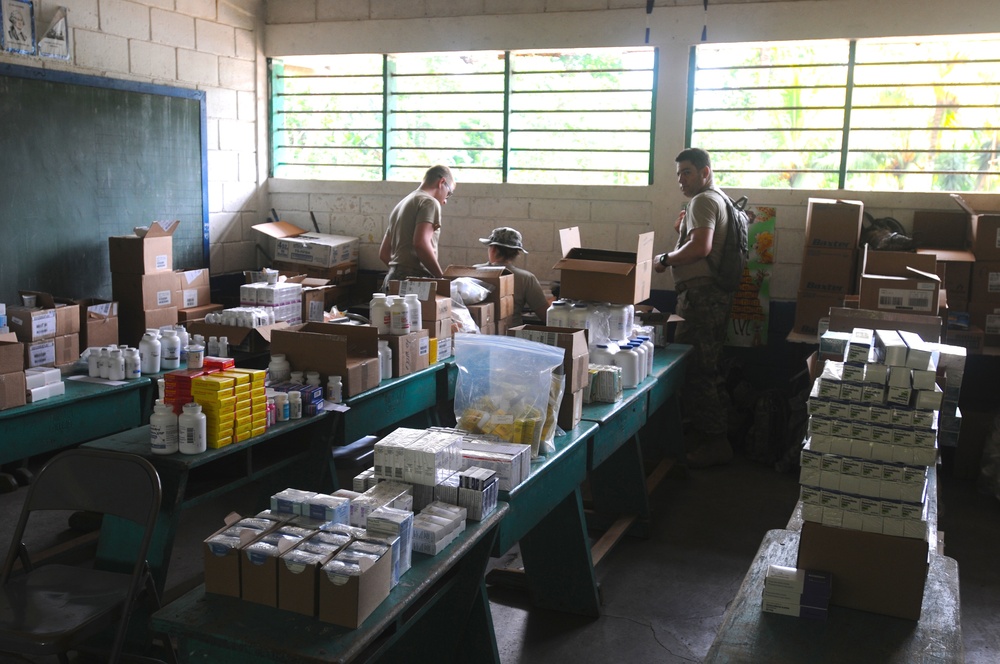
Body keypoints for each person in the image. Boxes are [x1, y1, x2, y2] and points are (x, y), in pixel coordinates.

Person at [654, 147, 737, 468]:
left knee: (698, 370)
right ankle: (709, 436)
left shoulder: (703, 201)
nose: (680, 180)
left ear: (705, 171)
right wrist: (681, 234)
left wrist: (664, 259)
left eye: (687, 172)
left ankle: (716, 443)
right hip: (709, 296)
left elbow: (701, 248)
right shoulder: (718, 199)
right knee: (704, 367)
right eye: (677, 174)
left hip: (702, 298)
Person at [379, 165, 455, 291]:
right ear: (442, 182)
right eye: (449, 193)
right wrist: (440, 278)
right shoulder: (429, 202)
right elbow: (420, 244)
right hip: (415, 282)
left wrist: (400, 271)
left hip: (391, 279)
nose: (445, 201)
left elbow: (384, 253)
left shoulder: (402, 204)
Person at [475, 227, 548, 327]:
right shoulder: (526, 278)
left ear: (493, 250)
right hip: (510, 337)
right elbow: (545, 316)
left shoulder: (474, 271)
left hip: (477, 335)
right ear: (517, 253)